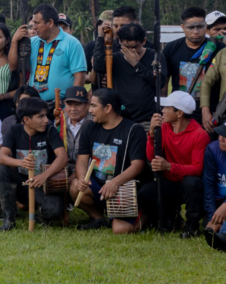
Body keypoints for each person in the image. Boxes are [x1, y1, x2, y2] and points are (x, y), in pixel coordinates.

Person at [70, 89, 147, 233]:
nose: (90, 110)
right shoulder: (89, 127)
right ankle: (98, 218)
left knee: (119, 229)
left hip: (123, 187)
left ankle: (149, 215)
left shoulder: (134, 130)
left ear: (108, 108)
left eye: (93, 106)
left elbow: (138, 165)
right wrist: (82, 178)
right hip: (99, 185)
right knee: (75, 187)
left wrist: (115, 182)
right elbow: (82, 160)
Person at [0, 96, 69, 230]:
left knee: (54, 211)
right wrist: (21, 162)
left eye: (45, 115)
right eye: (40, 117)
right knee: (2, 170)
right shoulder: (14, 130)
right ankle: (9, 219)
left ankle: (41, 214)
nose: (46, 120)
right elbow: (2, 157)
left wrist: (44, 176)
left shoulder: (50, 130)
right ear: (26, 120)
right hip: (22, 184)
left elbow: (63, 157)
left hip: (45, 185)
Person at [140, 91, 206, 236]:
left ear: (179, 113)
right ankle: (169, 217)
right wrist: (151, 134)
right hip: (169, 181)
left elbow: (197, 168)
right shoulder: (164, 127)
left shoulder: (200, 134)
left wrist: (169, 166)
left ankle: (192, 226)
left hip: (188, 184)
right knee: (145, 193)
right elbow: (152, 158)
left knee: (191, 183)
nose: (162, 111)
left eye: (166, 107)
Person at [9, 4, 87, 107]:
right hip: (35, 107)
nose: (34, 28)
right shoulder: (32, 42)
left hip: (61, 105)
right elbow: (13, 67)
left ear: (50, 23)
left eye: (37, 23)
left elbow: (80, 77)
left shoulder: (71, 43)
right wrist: (14, 41)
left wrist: (70, 105)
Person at [90, 22, 166, 127]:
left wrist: (137, 65)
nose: (131, 51)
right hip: (121, 119)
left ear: (144, 41)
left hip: (148, 120)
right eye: (126, 47)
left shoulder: (155, 56)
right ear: (120, 41)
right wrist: (100, 38)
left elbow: (160, 82)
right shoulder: (116, 58)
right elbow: (98, 66)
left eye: (135, 47)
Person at [163, 7, 221, 119]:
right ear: (182, 27)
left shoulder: (219, 49)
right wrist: (164, 107)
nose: (196, 31)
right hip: (180, 114)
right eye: (191, 27)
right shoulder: (171, 48)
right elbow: (164, 81)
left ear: (205, 26)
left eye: (200, 27)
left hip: (210, 115)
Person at [202, 125, 226, 251]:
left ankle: (224, 236)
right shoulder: (212, 149)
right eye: (221, 134)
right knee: (207, 225)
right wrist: (213, 217)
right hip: (218, 202)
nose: (221, 138)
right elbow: (209, 185)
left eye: (225, 136)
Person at [58, 85, 93, 163]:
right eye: (69, 105)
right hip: (64, 167)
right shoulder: (59, 122)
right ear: (65, 104)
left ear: (87, 104)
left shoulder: (94, 123)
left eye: (78, 104)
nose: (73, 109)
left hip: (86, 168)